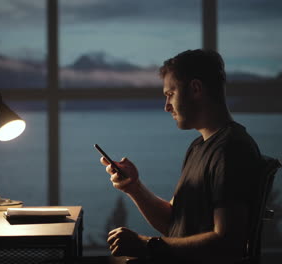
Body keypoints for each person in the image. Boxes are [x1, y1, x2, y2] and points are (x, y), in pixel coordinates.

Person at [100, 49, 263, 264]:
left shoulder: (231, 150)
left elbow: (228, 242)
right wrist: (133, 186)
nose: (166, 107)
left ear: (195, 89)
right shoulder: (199, 147)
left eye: (170, 94)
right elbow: (173, 223)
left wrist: (146, 245)